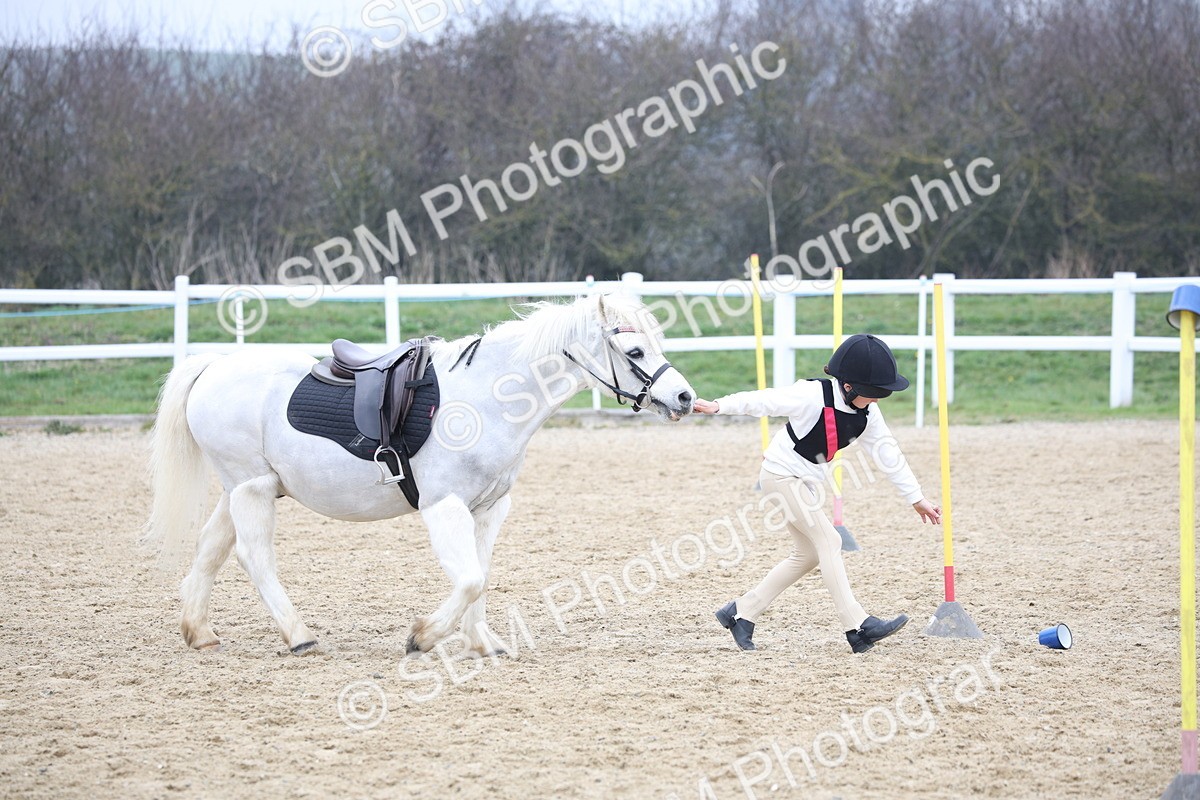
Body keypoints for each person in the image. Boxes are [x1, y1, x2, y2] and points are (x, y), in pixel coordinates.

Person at [693, 334, 942, 654]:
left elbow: (887, 452)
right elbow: (764, 400)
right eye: (874, 393)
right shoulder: (811, 394)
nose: (878, 401)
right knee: (830, 541)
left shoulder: (868, 412)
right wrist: (719, 406)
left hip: (805, 484)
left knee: (808, 554)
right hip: (780, 477)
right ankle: (858, 626)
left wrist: (916, 498)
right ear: (849, 387)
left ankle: (741, 613)